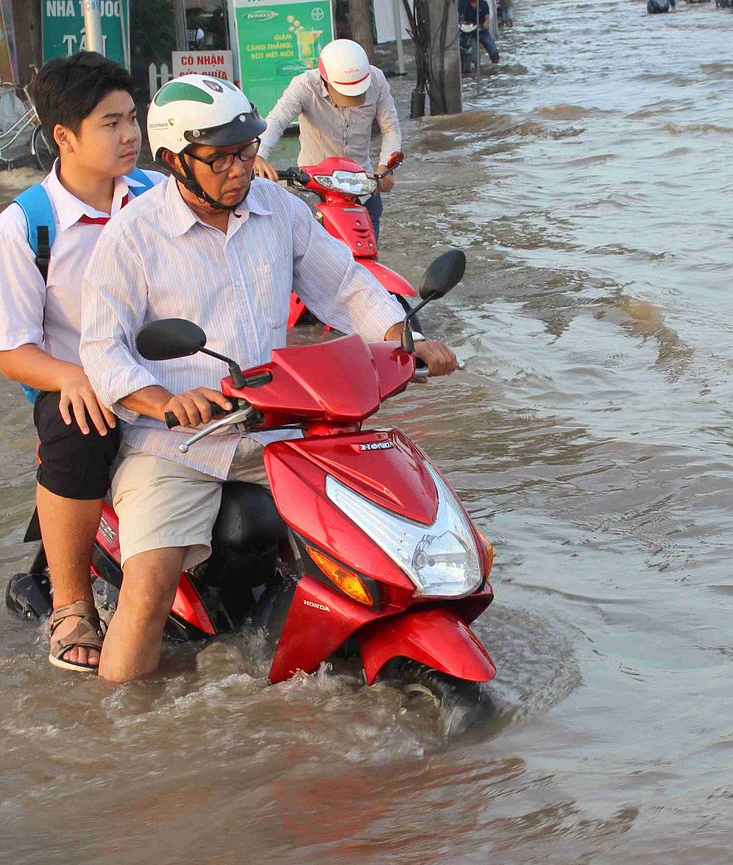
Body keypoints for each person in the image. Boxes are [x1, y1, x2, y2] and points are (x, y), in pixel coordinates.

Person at [77, 74, 458, 683]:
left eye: (247, 151)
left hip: (278, 431)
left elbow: (346, 285)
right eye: (220, 157)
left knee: (381, 533)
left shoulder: (279, 208)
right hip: (179, 446)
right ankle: (120, 739)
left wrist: (402, 341)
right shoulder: (134, 234)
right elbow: (101, 347)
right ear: (175, 160)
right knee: (147, 592)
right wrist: (167, 400)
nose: (239, 169)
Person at [0, 51, 164, 674]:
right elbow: (12, 351)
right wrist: (75, 377)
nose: (130, 135)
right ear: (63, 136)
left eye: (133, 118)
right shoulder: (25, 228)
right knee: (78, 425)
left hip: (166, 370)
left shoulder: (158, 196)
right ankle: (71, 607)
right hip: (77, 382)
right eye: (111, 123)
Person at [252, 38, 402, 239]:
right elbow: (277, 120)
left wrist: (385, 167)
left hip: (362, 188)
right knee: (312, 261)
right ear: (325, 79)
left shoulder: (377, 80)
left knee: (367, 258)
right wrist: (258, 155)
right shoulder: (304, 86)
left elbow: (391, 128)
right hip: (314, 188)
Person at [457, 0, 500, 64]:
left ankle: (495, 66)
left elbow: (487, 18)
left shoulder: (483, 4)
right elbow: (459, 16)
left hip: (482, 31)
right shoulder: (463, 4)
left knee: (493, 51)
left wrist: (485, 23)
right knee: (474, 56)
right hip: (470, 33)